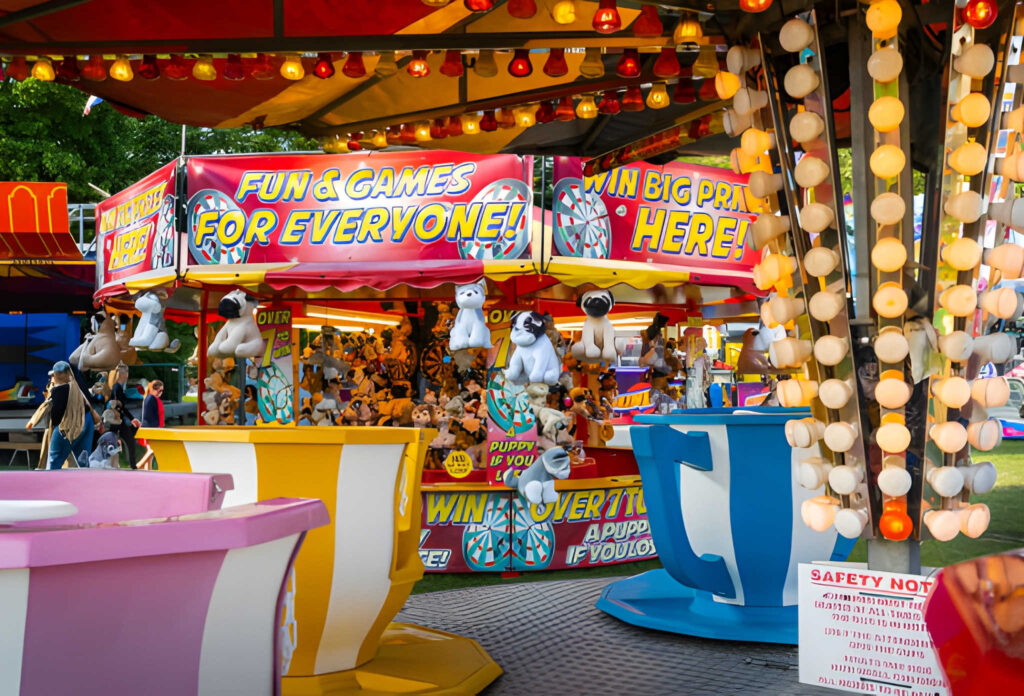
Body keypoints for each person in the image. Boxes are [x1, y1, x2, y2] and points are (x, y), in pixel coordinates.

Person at [41, 361, 94, 469]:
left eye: (54, 375)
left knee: (54, 460)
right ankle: (85, 484)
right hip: (87, 420)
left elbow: (57, 412)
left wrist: (54, 426)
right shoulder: (77, 384)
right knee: (83, 460)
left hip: (69, 424)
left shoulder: (59, 389)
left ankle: (50, 484)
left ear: (59, 375)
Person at [110, 364, 140, 469]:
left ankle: (130, 465)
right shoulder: (117, 387)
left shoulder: (117, 387)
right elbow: (119, 405)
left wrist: (132, 419)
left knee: (115, 442)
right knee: (130, 441)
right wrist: (131, 418)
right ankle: (133, 465)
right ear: (124, 374)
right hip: (117, 420)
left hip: (117, 420)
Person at [137, 380, 165, 470]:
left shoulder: (150, 398)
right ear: (153, 389)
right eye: (158, 390)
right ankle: (139, 466)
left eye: (162, 391)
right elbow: (149, 417)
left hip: (151, 428)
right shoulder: (151, 399)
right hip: (150, 428)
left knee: (151, 451)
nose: (160, 393)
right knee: (151, 450)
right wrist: (155, 429)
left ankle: (147, 469)